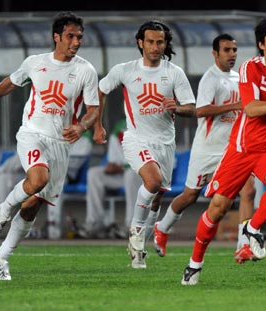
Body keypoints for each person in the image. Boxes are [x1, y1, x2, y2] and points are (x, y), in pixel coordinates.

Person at [0, 11, 105, 281]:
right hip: (32, 133)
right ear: (57, 37)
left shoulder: (85, 70)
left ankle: (1, 256)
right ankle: (3, 211)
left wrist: (81, 126)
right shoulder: (35, 63)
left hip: (60, 144)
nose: (76, 41)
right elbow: (11, 82)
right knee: (38, 177)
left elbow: (93, 109)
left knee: (33, 205)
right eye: (70, 36)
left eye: (79, 36)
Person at [181, 16, 266, 285]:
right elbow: (251, 108)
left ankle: (252, 229)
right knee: (218, 208)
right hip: (241, 148)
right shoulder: (250, 68)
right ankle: (194, 265)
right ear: (262, 45)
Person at [98, 20, 196, 269]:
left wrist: (179, 108)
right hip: (135, 139)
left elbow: (192, 108)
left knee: (155, 198)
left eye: (159, 42)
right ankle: (136, 236)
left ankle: (141, 243)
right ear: (140, 43)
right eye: (150, 41)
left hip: (165, 142)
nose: (155, 46)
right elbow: (100, 90)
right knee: (151, 182)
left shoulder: (174, 72)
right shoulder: (125, 70)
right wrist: (97, 125)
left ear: (165, 44)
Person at [153, 33, 256, 262]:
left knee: (248, 191)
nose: (232, 55)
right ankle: (163, 227)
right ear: (215, 53)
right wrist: (236, 105)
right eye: (227, 50)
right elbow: (201, 110)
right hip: (207, 149)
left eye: (234, 50)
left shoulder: (239, 78)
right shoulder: (210, 79)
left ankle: (244, 244)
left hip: (233, 149)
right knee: (190, 195)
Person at [78, 119, 142, 238]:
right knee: (94, 173)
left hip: (143, 176)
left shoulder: (149, 124)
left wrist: (123, 167)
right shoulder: (120, 127)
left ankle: (132, 226)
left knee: (130, 174)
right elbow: (114, 159)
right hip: (122, 176)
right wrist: (112, 166)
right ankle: (95, 223)